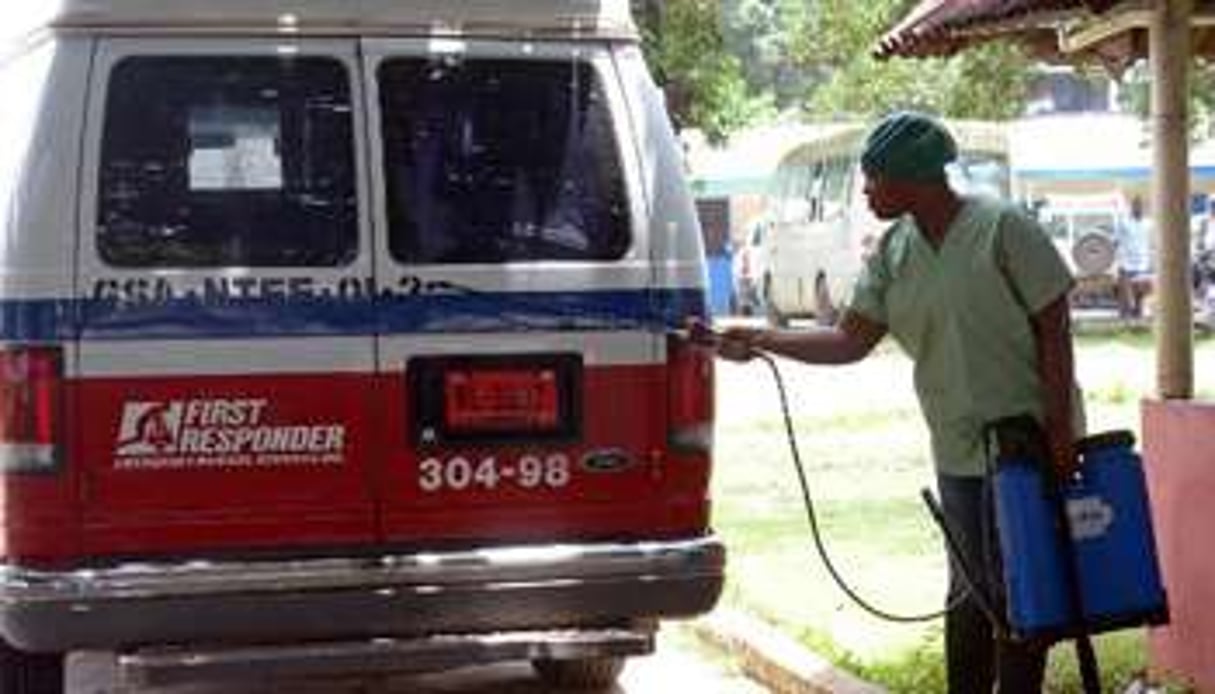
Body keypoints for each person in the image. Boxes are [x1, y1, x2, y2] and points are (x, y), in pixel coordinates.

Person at [709, 112, 1081, 694]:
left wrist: (1060, 432)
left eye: (872, 178)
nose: (865, 190)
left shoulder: (1003, 228)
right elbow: (849, 340)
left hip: (1026, 446)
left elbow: (1054, 329)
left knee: (1021, 597)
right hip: (957, 449)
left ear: (912, 178)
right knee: (968, 597)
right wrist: (759, 339)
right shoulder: (894, 251)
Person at [1114, 196, 1152, 320]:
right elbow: (1116, 242)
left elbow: (1150, 243)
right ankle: (1124, 317)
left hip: (1142, 263)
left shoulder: (1148, 223)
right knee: (1125, 295)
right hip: (1125, 263)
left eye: (1140, 205)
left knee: (1140, 295)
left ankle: (1138, 316)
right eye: (1135, 205)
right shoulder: (1123, 222)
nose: (1137, 208)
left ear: (1143, 208)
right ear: (1131, 207)